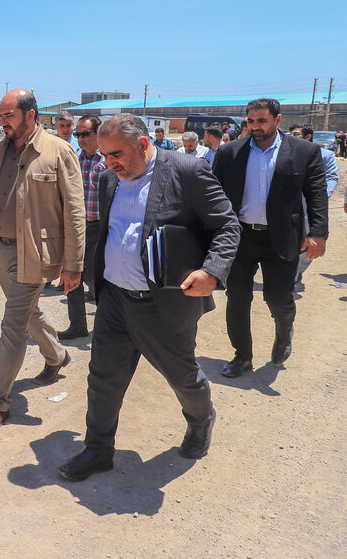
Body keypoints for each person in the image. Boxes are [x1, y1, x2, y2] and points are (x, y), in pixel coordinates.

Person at [58, 114, 240, 482]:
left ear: (143, 145)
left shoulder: (187, 171)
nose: (109, 163)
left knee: (182, 376)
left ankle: (201, 420)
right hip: (114, 298)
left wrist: (211, 271)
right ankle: (98, 449)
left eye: (116, 154)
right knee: (103, 376)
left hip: (163, 304)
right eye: (105, 155)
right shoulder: (109, 178)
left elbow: (226, 225)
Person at [0, 88, 85, 435]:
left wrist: (73, 264)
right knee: (26, 312)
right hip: (1, 250)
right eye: (1, 116)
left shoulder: (58, 151)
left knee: (12, 323)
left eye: (8, 115)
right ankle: (57, 355)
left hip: (36, 253)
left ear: (30, 115)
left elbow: (74, 211)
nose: (3, 122)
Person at [212, 99, 328, 377]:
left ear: (278, 119)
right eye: (251, 121)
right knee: (237, 298)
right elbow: (214, 193)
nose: (255, 126)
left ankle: (284, 332)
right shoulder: (230, 152)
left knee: (277, 298)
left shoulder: (304, 151)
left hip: (282, 238)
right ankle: (242, 356)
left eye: (261, 121)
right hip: (240, 238)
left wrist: (318, 233)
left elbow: (316, 194)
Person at [60, 114, 106, 340]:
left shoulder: (107, 161)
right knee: (71, 274)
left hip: (100, 227)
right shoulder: (75, 160)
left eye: (85, 134)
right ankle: (77, 325)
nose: (81, 138)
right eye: (78, 134)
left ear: (98, 133)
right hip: (75, 227)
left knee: (92, 276)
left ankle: (110, 322)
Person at [289, 124, 339, 288]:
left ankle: (298, 270)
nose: (292, 137)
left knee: (309, 242)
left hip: (310, 206)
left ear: (308, 136)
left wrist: (320, 197)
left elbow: (332, 177)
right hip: (290, 205)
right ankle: (290, 273)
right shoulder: (287, 153)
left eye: (296, 134)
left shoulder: (326, 155)